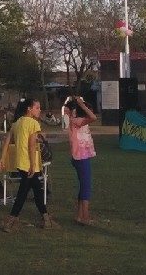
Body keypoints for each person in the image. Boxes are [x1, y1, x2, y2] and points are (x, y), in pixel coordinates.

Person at [0, 98, 57, 232]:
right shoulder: (33, 123)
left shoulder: (16, 123)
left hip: (20, 163)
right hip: (29, 164)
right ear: (29, 109)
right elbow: (32, 145)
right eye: (37, 108)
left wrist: (2, 159)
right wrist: (33, 164)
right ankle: (11, 220)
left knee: (36, 189)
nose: (39, 110)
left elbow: (6, 142)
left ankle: (46, 219)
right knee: (24, 192)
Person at [65, 96, 97, 225]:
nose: (89, 111)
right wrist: (82, 105)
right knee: (86, 187)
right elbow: (93, 117)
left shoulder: (78, 121)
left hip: (81, 157)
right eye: (87, 109)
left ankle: (79, 216)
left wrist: (80, 104)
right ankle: (85, 217)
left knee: (83, 186)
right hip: (80, 157)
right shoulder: (77, 121)